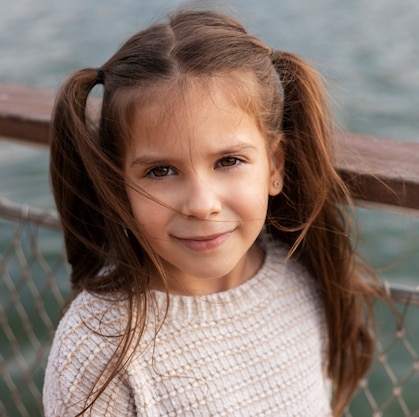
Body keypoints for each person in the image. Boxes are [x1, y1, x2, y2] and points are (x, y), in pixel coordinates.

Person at [43, 7, 379, 417]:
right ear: (118, 185)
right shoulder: (97, 345)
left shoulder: (302, 273)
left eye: (228, 161)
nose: (202, 204)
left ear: (275, 166)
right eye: (160, 171)